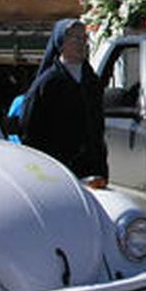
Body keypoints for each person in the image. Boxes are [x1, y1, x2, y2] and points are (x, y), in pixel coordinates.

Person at [20, 18, 108, 179]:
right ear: (61, 42)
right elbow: (29, 130)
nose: (81, 43)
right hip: (57, 168)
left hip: (92, 167)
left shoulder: (92, 81)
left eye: (84, 38)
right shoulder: (48, 82)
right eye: (75, 38)